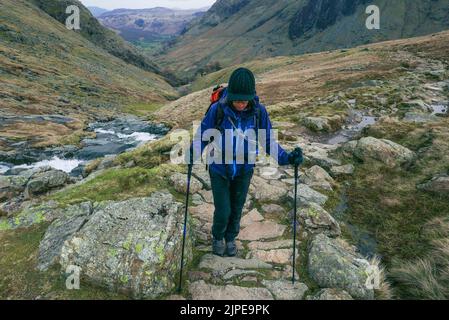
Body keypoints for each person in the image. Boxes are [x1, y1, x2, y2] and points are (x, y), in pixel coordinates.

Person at [188, 67, 303, 257]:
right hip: (219, 168)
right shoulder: (217, 110)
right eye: (237, 100)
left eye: (244, 100)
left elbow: (268, 142)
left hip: (244, 169)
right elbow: (202, 136)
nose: (240, 104)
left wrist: (287, 158)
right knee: (223, 209)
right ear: (230, 95)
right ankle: (218, 237)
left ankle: (231, 238)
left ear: (252, 96)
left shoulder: (259, 112)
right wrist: (193, 153)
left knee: (237, 207)